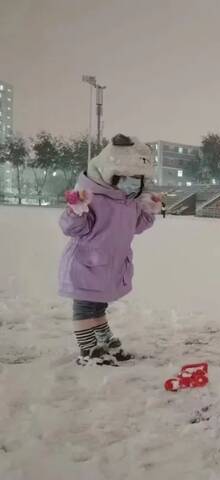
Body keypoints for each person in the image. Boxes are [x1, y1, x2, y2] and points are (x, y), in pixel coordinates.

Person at [58, 134, 162, 365]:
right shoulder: (91, 196)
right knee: (85, 307)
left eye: (137, 178)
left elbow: (136, 226)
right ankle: (89, 349)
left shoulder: (128, 201)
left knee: (98, 305)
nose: (132, 182)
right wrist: (75, 210)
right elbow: (72, 228)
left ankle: (105, 342)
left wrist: (149, 210)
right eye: (128, 177)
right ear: (110, 172)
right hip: (86, 264)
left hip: (111, 266)